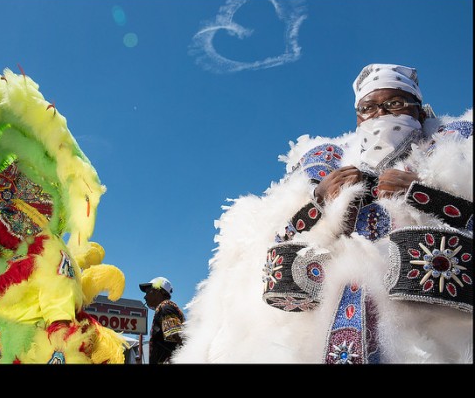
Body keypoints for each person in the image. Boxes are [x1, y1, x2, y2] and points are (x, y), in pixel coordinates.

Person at [173, 63, 472, 363]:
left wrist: (423, 194)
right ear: (358, 116)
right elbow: (271, 244)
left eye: (394, 104)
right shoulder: (326, 162)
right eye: (369, 107)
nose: (380, 115)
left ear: (419, 111)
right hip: (320, 337)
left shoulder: (456, 146)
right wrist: (320, 202)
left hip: (429, 338)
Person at [0, 67, 128, 364]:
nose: (0, 212)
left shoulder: (49, 253)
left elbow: (61, 325)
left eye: (10, 204)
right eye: (0, 206)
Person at [140, 277, 184, 364]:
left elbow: (179, 338)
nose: (145, 296)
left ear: (158, 291)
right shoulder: (164, 309)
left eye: (148, 292)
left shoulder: (165, 308)